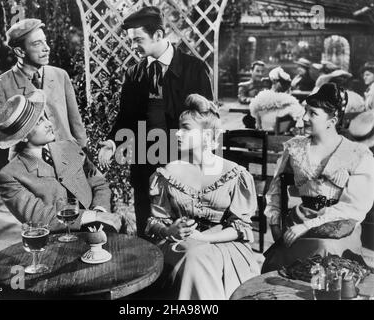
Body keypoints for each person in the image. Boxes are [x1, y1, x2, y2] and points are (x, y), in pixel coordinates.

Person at [97, 6, 213, 237]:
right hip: (144, 163)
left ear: (158, 35)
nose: (133, 46)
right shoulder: (134, 73)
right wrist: (111, 143)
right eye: (131, 41)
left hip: (183, 164)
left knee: (183, 229)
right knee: (147, 226)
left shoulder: (194, 69)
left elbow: (207, 121)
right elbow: (125, 118)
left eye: (138, 39)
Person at [146, 94, 260, 299]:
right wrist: (170, 229)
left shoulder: (235, 173)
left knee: (197, 257)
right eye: (178, 127)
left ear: (207, 136)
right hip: (178, 245)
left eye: (186, 128)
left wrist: (204, 238)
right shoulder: (168, 173)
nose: (178, 133)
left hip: (224, 245)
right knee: (193, 257)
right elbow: (155, 222)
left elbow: (240, 227)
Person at [262, 83, 374, 273]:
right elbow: (275, 188)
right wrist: (274, 222)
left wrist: (308, 226)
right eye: (305, 111)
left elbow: (355, 207)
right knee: (278, 269)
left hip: (339, 228)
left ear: (333, 119)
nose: (304, 118)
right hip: (297, 222)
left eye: (312, 113)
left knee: (323, 253)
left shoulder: (358, 153)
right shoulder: (295, 148)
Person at [0, 18, 91, 184]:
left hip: (68, 163)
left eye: (46, 42)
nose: (46, 48)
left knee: (74, 209)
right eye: (37, 44)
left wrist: (84, 153)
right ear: (20, 52)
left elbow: (75, 122)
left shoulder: (60, 75)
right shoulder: (0, 85)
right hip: (31, 173)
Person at [0, 90, 118, 233]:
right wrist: (94, 216)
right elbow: (39, 216)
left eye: (45, 117)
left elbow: (99, 183)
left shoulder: (70, 146)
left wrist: (100, 210)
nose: (48, 123)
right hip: (56, 245)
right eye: (38, 122)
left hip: (100, 232)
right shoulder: (9, 176)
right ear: (23, 137)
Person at [249, 67, 304, 132]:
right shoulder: (290, 102)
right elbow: (300, 122)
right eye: (283, 83)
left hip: (263, 136)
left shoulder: (259, 100)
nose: (286, 86)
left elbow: (257, 124)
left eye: (287, 84)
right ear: (274, 81)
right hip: (281, 137)